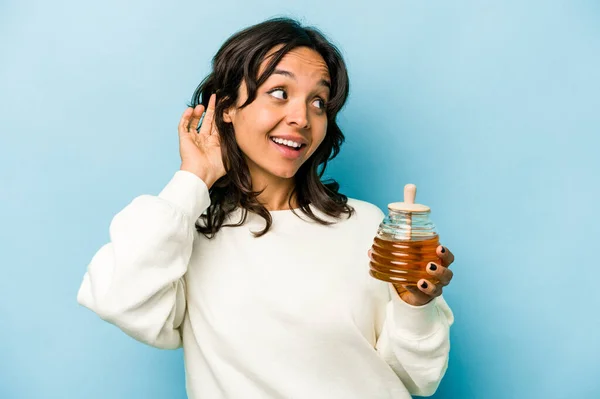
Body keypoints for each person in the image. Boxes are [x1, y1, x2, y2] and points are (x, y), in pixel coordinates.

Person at [77, 17, 455, 399]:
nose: (301, 118)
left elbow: (416, 379)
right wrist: (194, 177)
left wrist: (415, 307)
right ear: (226, 108)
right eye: (279, 92)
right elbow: (117, 297)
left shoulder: (367, 225)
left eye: (318, 102)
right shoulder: (186, 233)